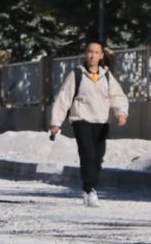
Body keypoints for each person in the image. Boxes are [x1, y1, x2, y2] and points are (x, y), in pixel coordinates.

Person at [48, 41, 130, 206]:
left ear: (101, 56)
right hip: (81, 120)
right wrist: (56, 122)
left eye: (96, 52)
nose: (92, 56)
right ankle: (89, 189)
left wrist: (121, 112)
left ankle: (91, 188)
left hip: (101, 121)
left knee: (98, 157)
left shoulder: (106, 76)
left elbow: (117, 96)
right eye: (90, 52)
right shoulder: (77, 74)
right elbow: (64, 98)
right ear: (86, 54)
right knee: (88, 155)